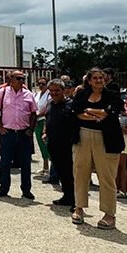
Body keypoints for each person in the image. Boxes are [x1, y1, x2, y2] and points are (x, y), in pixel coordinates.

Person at [71, 68, 123, 230]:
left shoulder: (112, 95)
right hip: (82, 137)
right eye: (95, 78)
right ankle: (79, 207)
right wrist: (97, 115)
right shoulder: (81, 94)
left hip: (106, 139)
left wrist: (89, 111)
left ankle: (109, 214)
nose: (99, 80)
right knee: (80, 173)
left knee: (106, 176)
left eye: (101, 78)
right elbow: (76, 113)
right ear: (89, 80)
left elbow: (109, 114)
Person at [0, 70, 38, 199]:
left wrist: (31, 129)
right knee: (5, 162)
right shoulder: (2, 93)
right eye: (18, 78)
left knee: (25, 163)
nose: (21, 80)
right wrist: (0, 127)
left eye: (22, 78)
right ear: (11, 80)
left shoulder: (28, 94)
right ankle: (3, 188)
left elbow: (34, 113)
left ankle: (26, 190)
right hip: (8, 133)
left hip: (24, 133)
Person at [44, 79, 75, 208]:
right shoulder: (51, 104)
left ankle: (76, 200)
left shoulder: (71, 105)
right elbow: (48, 120)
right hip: (53, 144)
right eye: (51, 90)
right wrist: (45, 132)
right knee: (62, 172)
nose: (54, 93)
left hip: (68, 146)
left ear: (63, 90)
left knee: (71, 173)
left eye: (57, 90)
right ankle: (67, 197)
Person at [33, 77, 51, 179]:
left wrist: (38, 115)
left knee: (46, 144)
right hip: (37, 122)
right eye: (39, 83)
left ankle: (51, 169)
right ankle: (45, 166)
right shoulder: (37, 94)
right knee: (40, 144)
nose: (41, 86)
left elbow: (48, 108)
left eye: (43, 84)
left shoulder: (49, 95)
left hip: (44, 121)